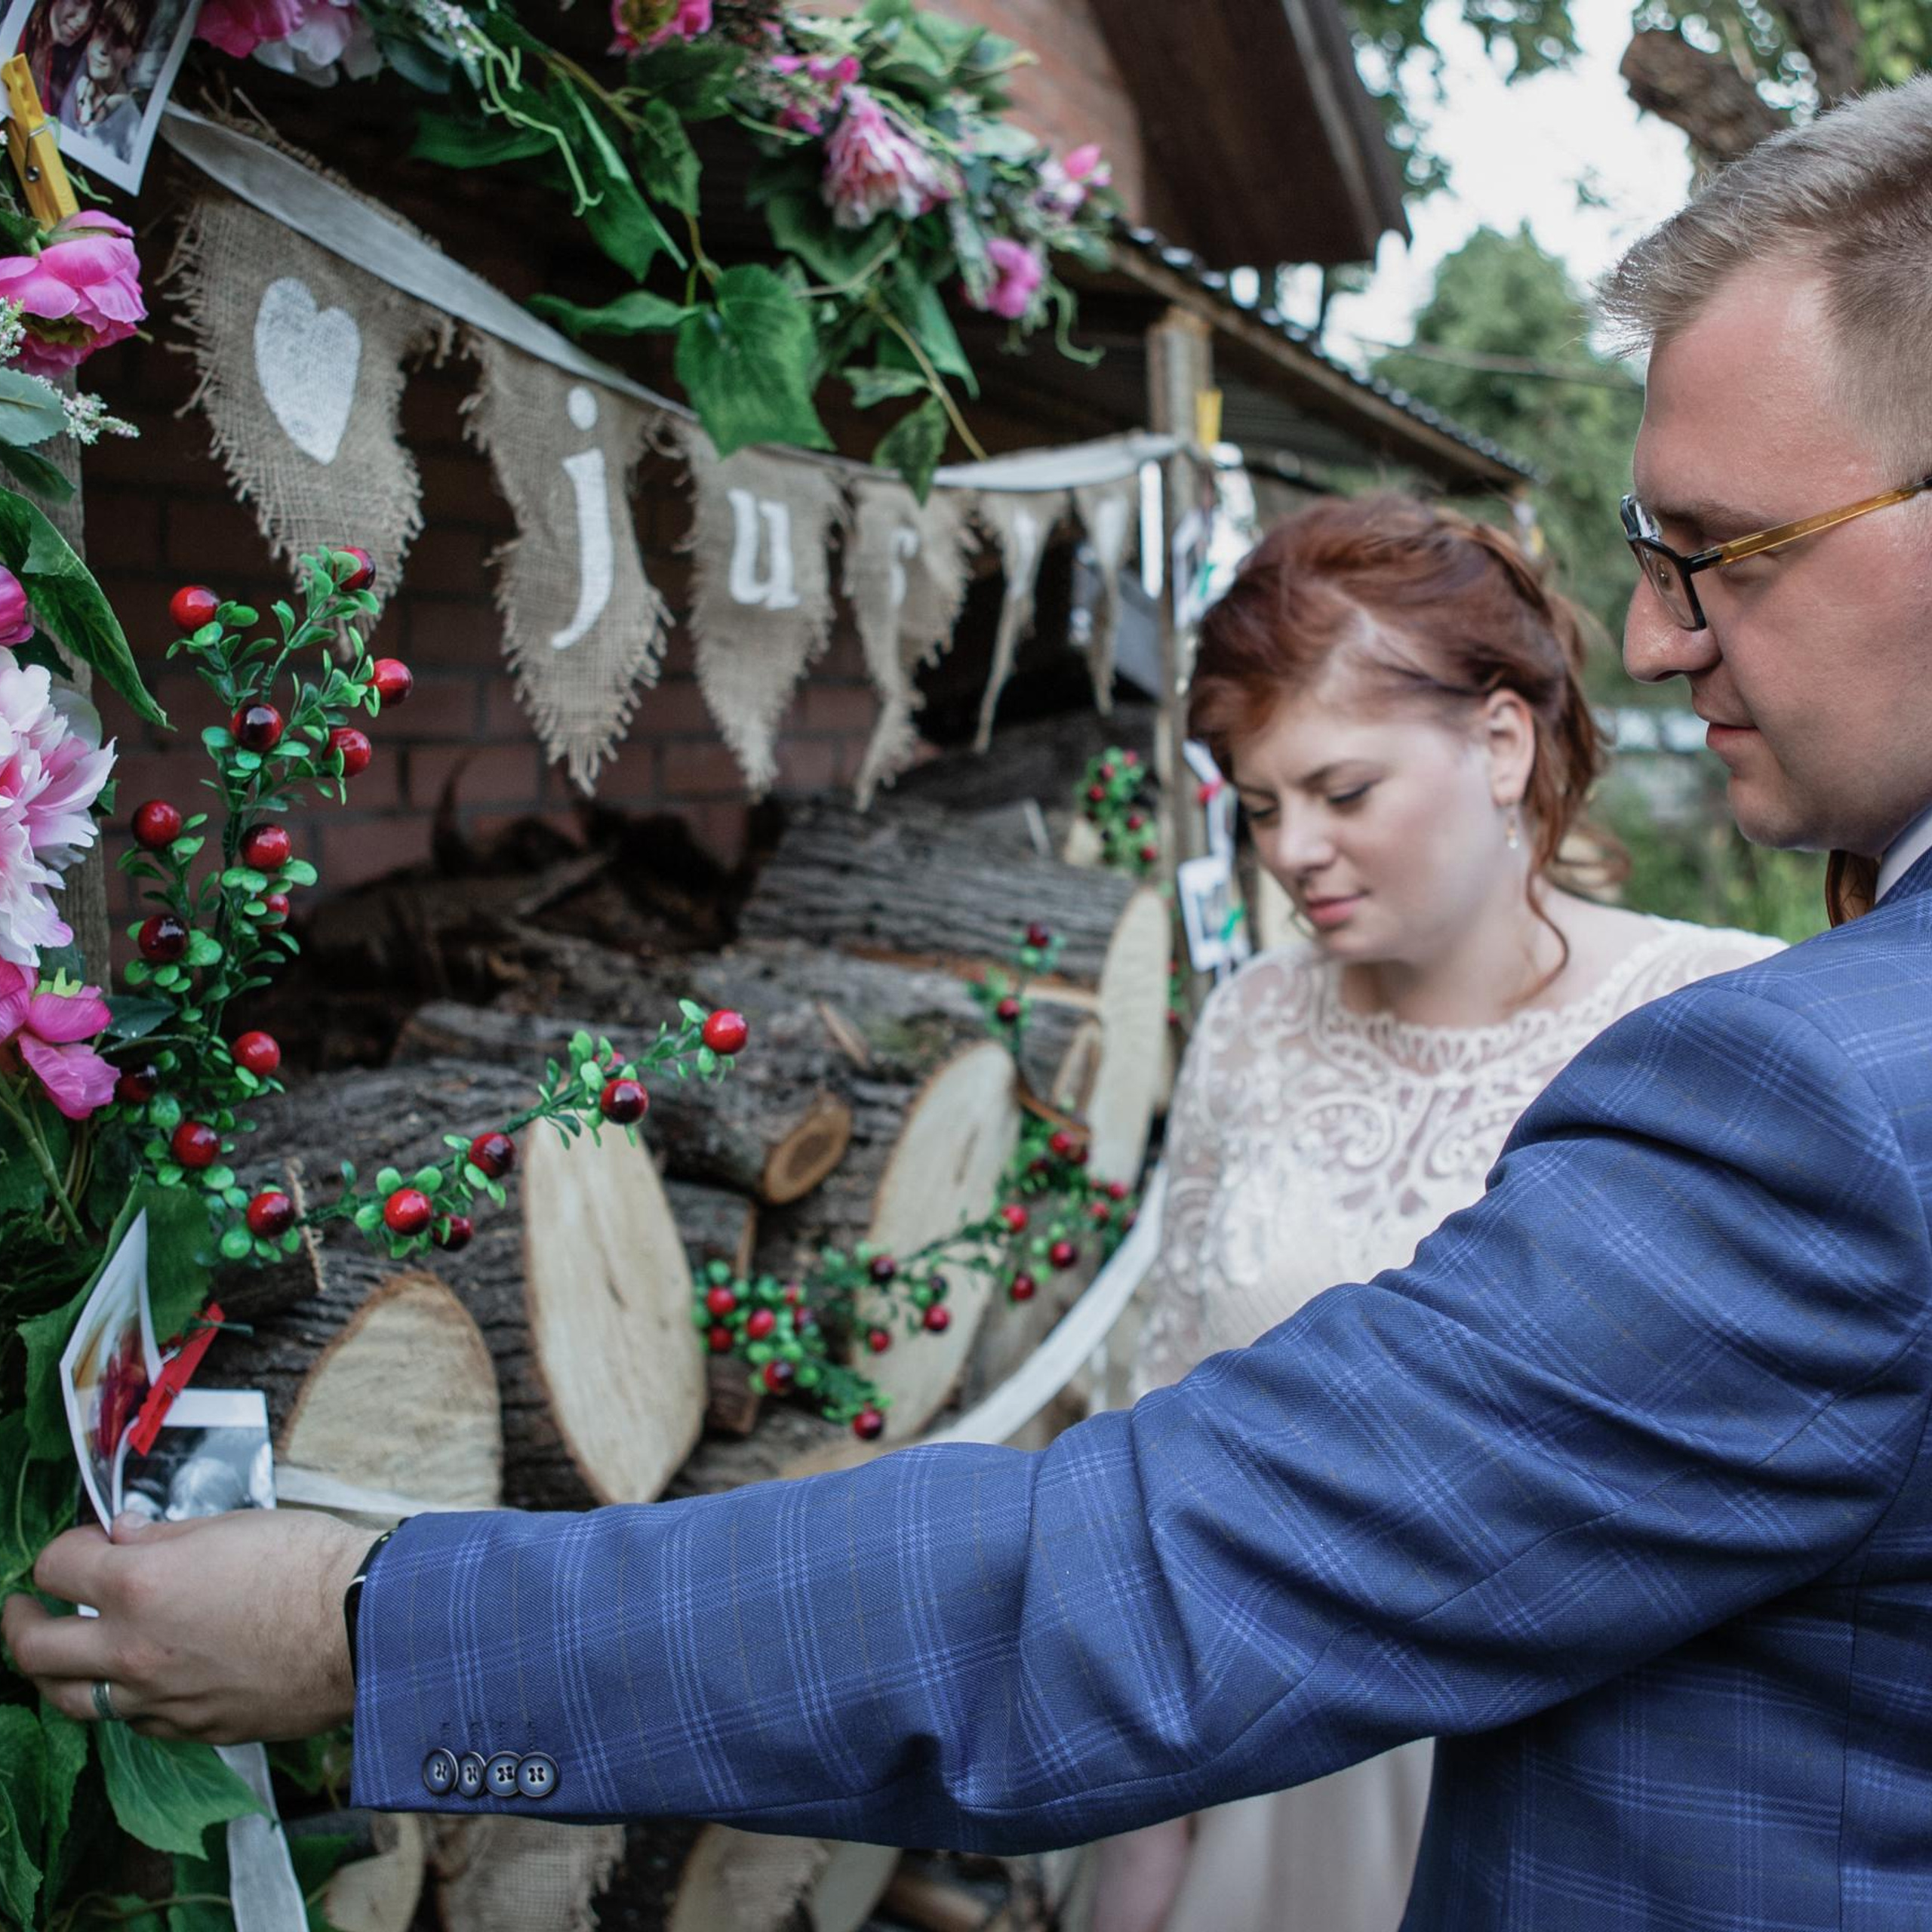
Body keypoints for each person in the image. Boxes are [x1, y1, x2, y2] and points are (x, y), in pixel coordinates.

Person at [11, 73, 1932, 1930]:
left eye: (1715, 551)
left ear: (1500, 746)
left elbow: (1147, 1576)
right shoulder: (1290, 1015)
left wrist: (368, 1623)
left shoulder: (1796, 1090)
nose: (1659, 633)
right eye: (1651, 559)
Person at [1090, 496, 1780, 1932]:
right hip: (1263, 1771)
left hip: (1580, 1795)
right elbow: (1161, 1419)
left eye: (1342, 792)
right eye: (1260, 806)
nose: (1294, 849)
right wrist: (1142, 1833)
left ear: (1502, 742)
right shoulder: (1253, 1021)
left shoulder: (1710, 1017)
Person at [57, 0, 143, 162]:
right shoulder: (74, 67)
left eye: (118, 41)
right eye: (101, 30)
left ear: (133, 56)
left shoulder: (134, 130)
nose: (103, 48)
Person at [18, 0, 94, 125]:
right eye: (79, 1)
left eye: (93, 13)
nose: (83, 20)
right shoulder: (12, 32)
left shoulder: (59, 70)